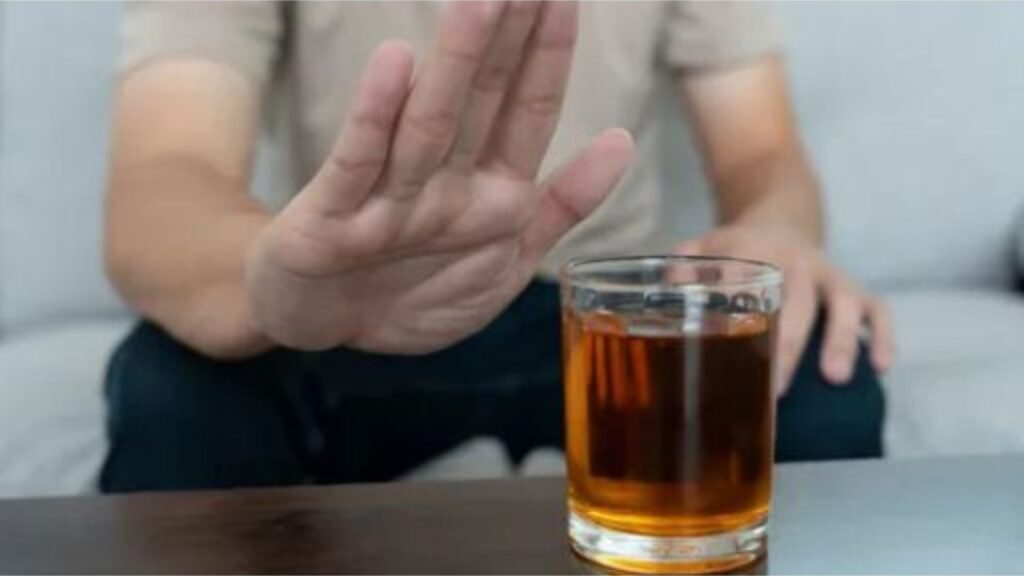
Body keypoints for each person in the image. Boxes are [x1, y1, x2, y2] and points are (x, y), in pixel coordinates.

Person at [102, 1, 892, 492]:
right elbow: (166, 171)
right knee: (171, 383)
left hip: (598, 325)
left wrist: (774, 234)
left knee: (818, 368)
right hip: (351, 312)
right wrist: (266, 286)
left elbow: (761, 153)